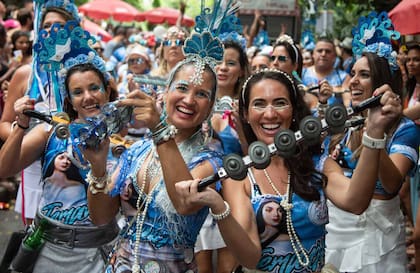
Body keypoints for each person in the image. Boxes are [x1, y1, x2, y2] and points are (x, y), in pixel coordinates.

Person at [174, 65, 403, 272]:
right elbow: (249, 258)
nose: (270, 113)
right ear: (245, 114)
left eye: (280, 103)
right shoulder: (241, 177)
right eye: (259, 104)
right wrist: (218, 207)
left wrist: (374, 132)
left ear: (294, 110)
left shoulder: (317, 164)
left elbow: (356, 202)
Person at [82, 2, 236, 272]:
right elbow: (100, 216)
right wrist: (97, 166)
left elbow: (183, 203)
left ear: (212, 107)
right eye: (183, 88)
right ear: (165, 93)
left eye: (202, 94)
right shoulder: (137, 150)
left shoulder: (211, 159)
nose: (189, 99)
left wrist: (158, 129)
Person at [0, 19, 120, 272]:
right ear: (70, 100)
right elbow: (4, 169)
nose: (87, 97)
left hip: (99, 256)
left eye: (94, 88)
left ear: (107, 91)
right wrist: (21, 125)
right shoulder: (51, 132)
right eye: (78, 92)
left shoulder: (122, 141)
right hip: (46, 251)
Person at [323, 12, 420, 273]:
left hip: (380, 239)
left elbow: (391, 184)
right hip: (336, 231)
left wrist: (373, 132)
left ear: (382, 83)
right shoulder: (342, 124)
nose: (352, 81)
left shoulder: (405, 129)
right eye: (352, 73)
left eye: (363, 75)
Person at [0, 0, 80, 224]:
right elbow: (4, 123)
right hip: (32, 168)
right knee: (34, 238)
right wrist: (29, 140)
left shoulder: (86, 74)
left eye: (59, 25)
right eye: (46, 26)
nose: (51, 30)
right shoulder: (25, 74)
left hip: (75, 171)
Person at [301, 37, 351, 107]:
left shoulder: (344, 77)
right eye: (319, 51)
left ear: (334, 56)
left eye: (328, 51)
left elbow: (348, 105)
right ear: (313, 54)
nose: (323, 54)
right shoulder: (301, 73)